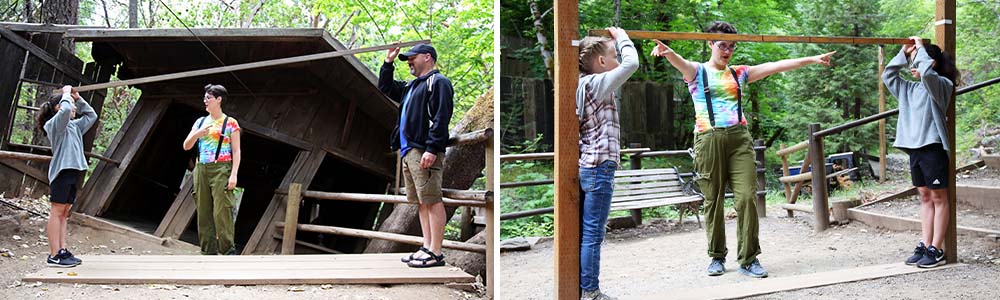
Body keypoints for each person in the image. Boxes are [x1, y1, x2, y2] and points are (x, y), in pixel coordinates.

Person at [650, 21, 835, 278]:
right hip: (708, 139)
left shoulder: (739, 73)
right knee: (713, 199)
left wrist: (812, 58)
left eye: (732, 46)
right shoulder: (697, 71)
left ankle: (749, 259)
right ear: (710, 43)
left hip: (739, 140)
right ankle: (716, 257)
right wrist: (667, 52)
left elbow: (775, 66)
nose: (727, 50)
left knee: (747, 197)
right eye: (722, 45)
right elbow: (679, 60)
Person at [883, 36, 958, 268]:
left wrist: (921, 52)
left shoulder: (942, 86)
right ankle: (925, 245)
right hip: (914, 149)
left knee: (938, 198)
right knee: (925, 197)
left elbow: (926, 74)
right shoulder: (908, 88)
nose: (914, 67)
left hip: (933, 147)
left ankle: (937, 249)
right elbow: (888, 75)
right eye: (912, 62)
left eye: (918, 61)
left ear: (930, 62)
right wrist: (905, 54)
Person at [575, 27, 639, 300]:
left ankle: (586, 288)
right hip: (600, 165)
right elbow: (632, 63)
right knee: (593, 233)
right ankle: (590, 291)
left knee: (589, 231)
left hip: (591, 164)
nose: (617, 59)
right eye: (613, 55)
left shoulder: (582, 84)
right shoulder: (596, 84)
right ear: (601, 62)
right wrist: (622, 36)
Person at [378, 43, 455, 268]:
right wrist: (388, 62)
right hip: (408, 149)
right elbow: (385, 86)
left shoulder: (438, 82)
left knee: (432, 199)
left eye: (412, 57)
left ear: (427, 57)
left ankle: (436, 252)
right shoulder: (412, 86)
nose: (409, 61)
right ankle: (427, 246)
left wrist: (432, 148)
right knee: (422, 202)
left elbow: (441, 117)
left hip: (423, 149)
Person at [37, 85, 95, 267]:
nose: (74, 108)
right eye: (70, 104)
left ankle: (62, 251)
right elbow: (67, 109)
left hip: (74, 171)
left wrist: (77, 98)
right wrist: (66, 93)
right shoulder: (54, 125)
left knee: (64, 213)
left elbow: (91, 115)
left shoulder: (74, 126)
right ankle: (54, 254)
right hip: (62, 171)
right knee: (56, 212)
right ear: (59, 108)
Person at [182, 84, 242, 255]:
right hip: (201, 168)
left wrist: (234, 174)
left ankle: (227, 249)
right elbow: (186, 146)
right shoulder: (200, 122)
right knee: (203, 209)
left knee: (222, 209)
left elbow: (237, 150)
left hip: (222, 168)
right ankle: (208, 250)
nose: (205, 101)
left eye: (208, 98)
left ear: (219, 99)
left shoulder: (230, 123)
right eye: (204, 98)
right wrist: (197, 134)